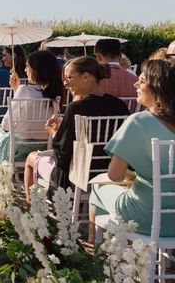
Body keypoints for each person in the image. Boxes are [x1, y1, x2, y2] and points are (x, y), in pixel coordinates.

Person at [23, 56, 130, 203]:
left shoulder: (76, 107)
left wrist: (54, 133)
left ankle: (31, 209)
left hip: (77, 176)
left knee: (31, 158)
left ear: (85, 77)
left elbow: (62, 155)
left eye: (68, 78)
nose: (65, 83)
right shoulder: (120, 105)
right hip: (111, 172)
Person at [89, 59, 175, 237]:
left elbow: (115, 175)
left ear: (157, 87)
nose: (136, 83)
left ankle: (101, 259)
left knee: (97, 188)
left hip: (146, 215)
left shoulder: (138, 122)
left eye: (142, 81)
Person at [0, 50, 64, 164]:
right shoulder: (55, 94)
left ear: (35, 70)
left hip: (20, 147)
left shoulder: (24, 90)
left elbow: (5, 125)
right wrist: (17, 90)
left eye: (27, 67)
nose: (25, 70)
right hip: (44, 146)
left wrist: (18, 91)